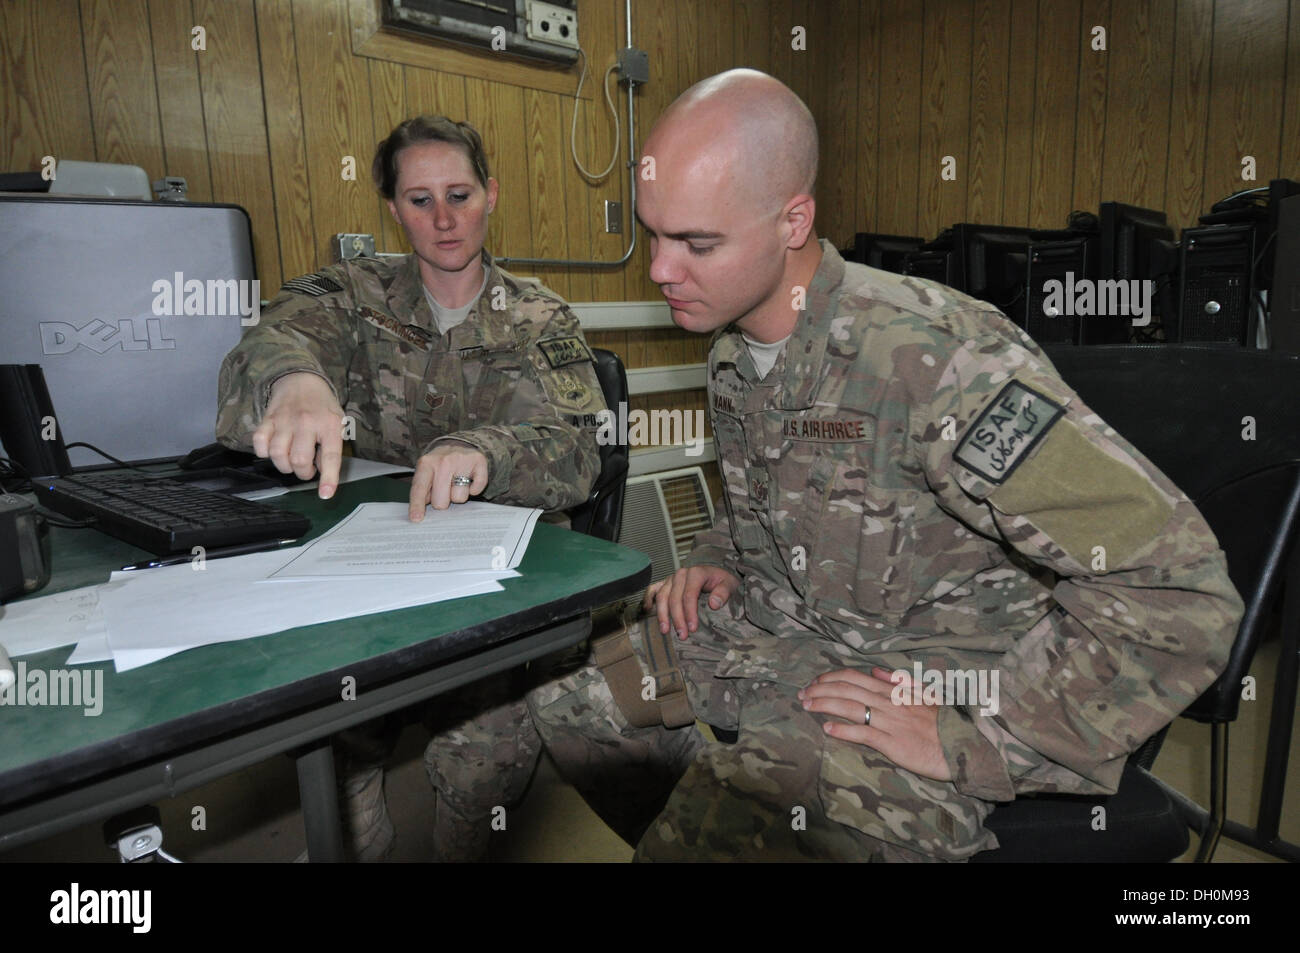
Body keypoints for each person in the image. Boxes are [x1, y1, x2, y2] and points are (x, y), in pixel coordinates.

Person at [527, 70, 1244, 861]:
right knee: (555, 678)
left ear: (791, 221)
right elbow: (762, 499)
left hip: (932, 676)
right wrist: (715, 556)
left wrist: (975, 734)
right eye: (651, 234)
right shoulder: (734, 347)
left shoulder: (937, 360)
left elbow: (1178, 585)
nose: (661, 268)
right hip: (787, 634)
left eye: (697, 243)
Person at [215, 115, 607, 861]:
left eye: (460, 194)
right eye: (420, 199)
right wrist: (294, 380)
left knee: (486, 752)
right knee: (314, 702)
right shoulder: (355, 295)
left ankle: (464, 838)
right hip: (379, 563)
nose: (444, 218)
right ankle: (357, 820)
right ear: (392, 209)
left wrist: (483, 450)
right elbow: (269, 337)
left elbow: (577, 453)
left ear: (491, 194)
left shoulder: (539, 317)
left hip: (499, 576)